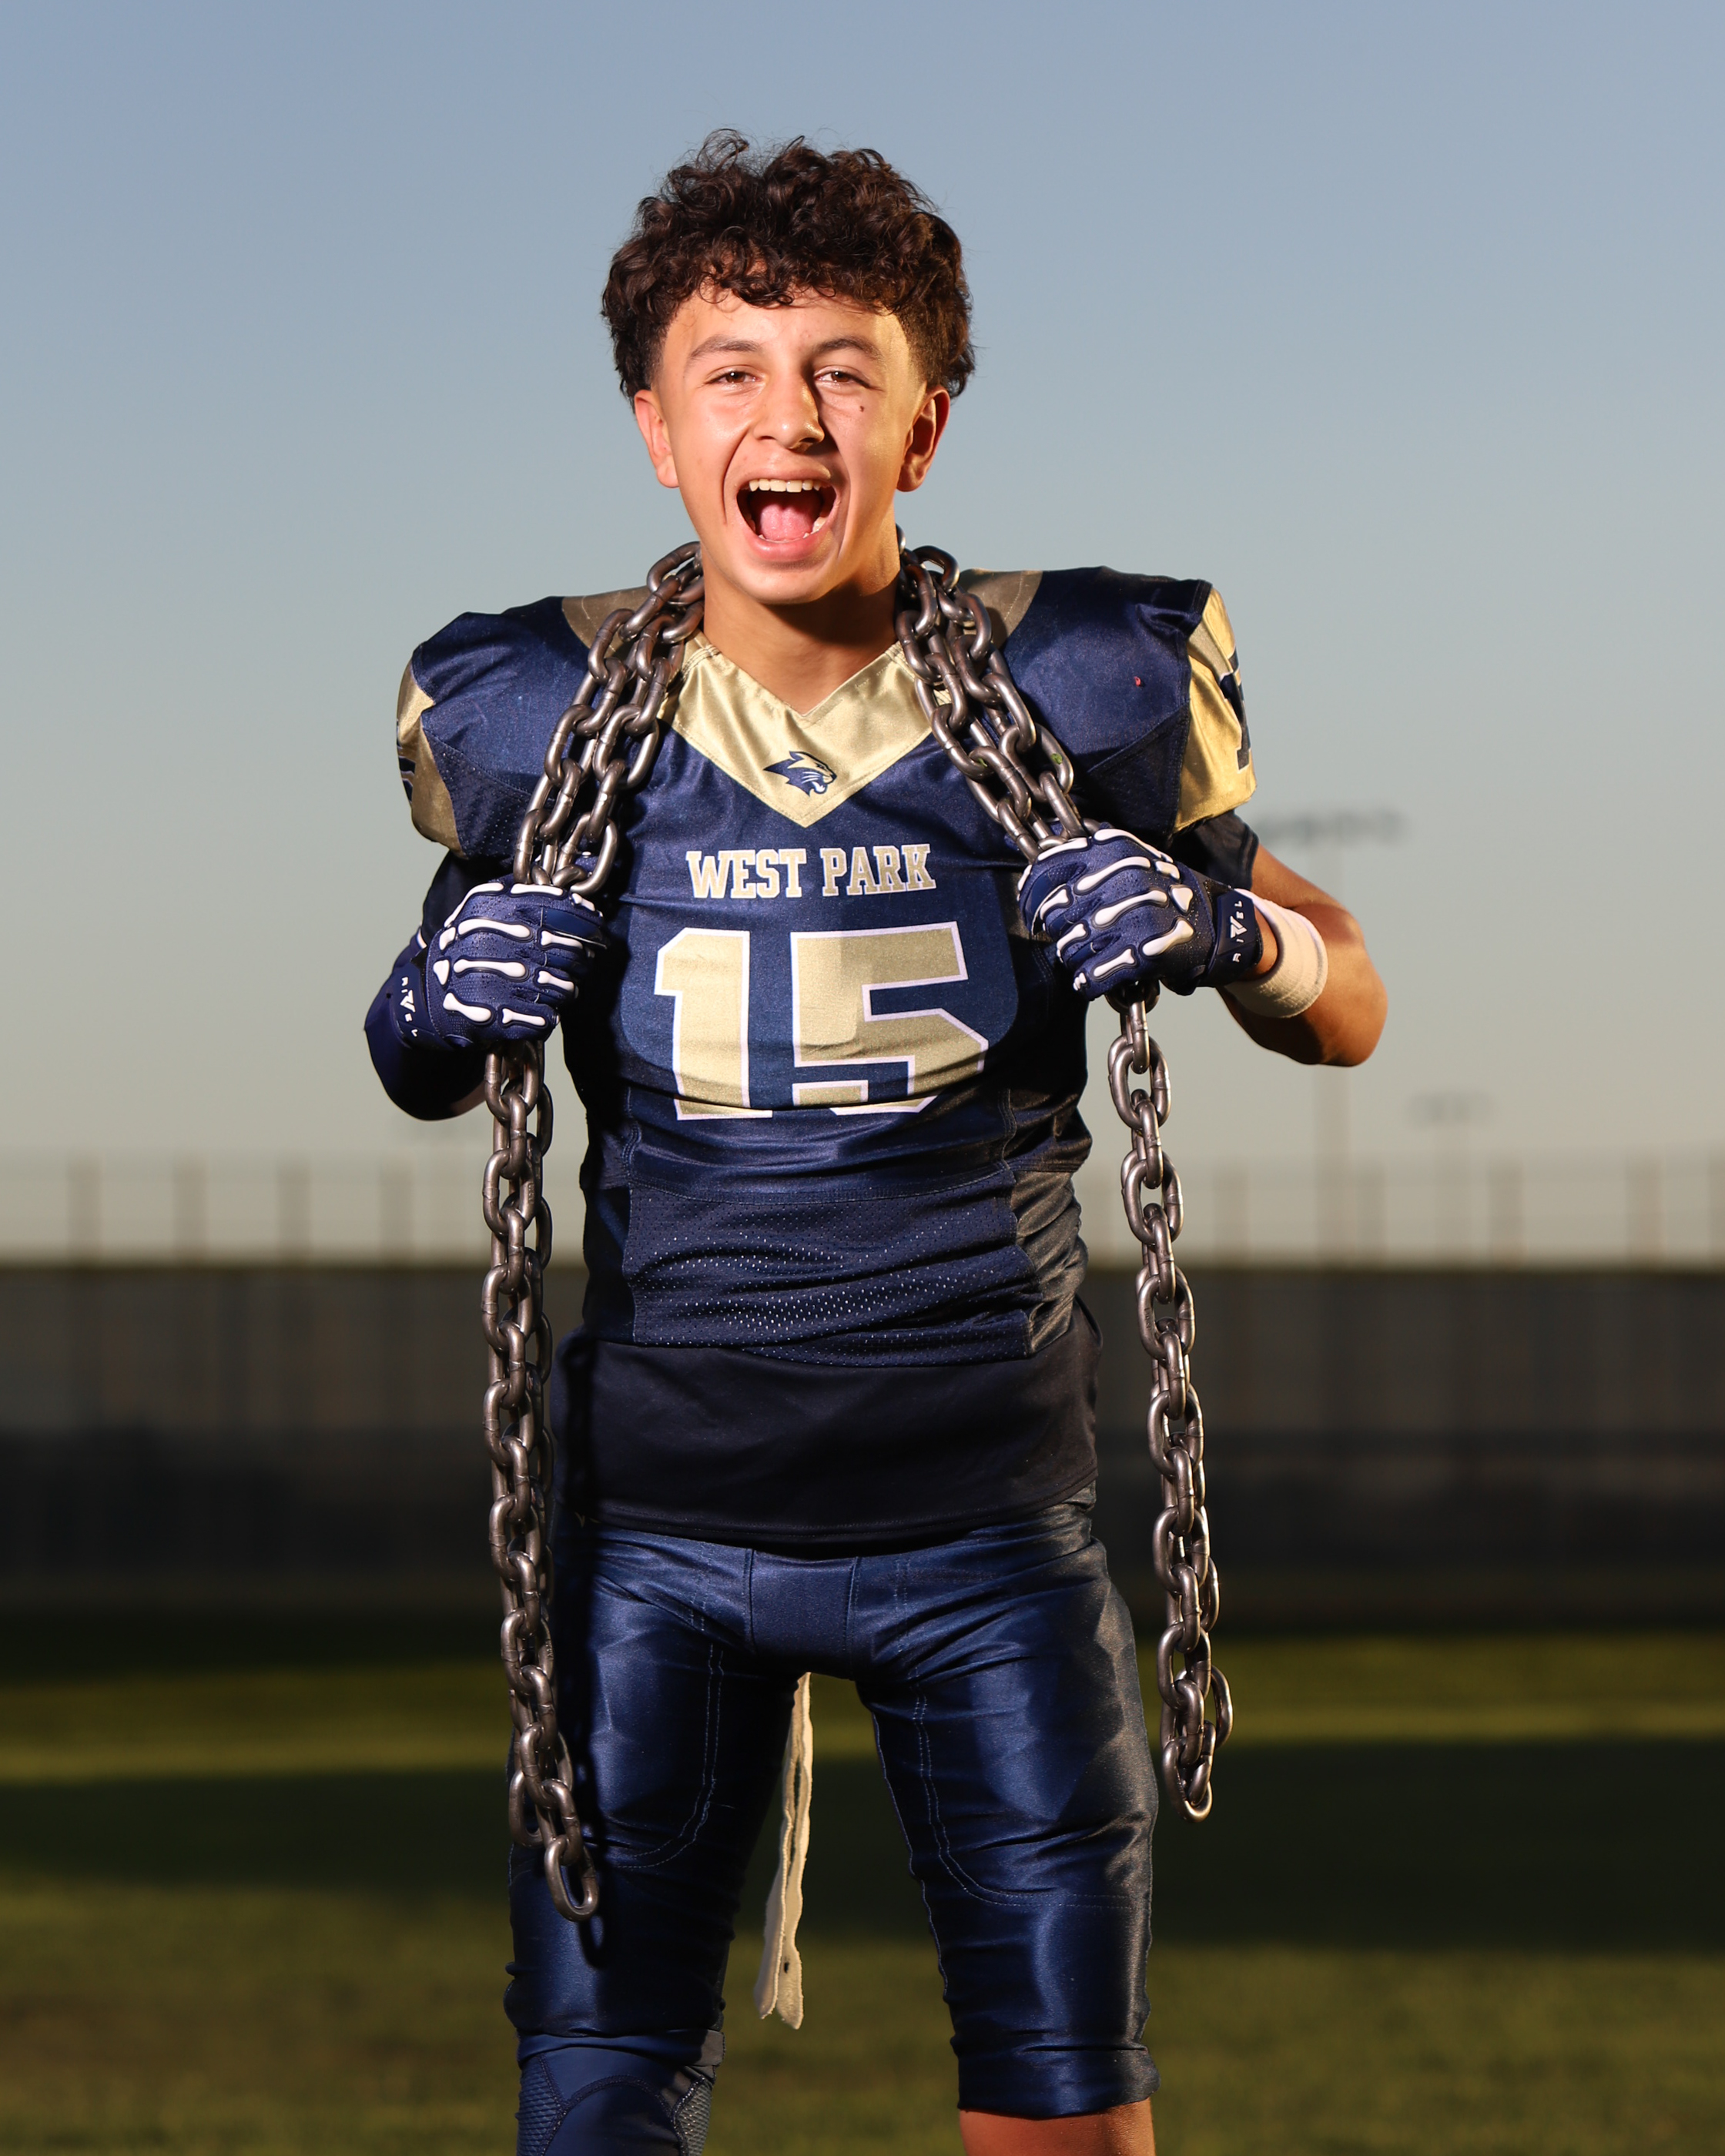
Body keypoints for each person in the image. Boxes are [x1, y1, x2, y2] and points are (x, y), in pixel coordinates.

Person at [365, 132, 1385, 2156]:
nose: (789, 414)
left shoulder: (1075, 686)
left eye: (845, 368)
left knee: (1067, 2116)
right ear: (658, 429)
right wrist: (424, 1005)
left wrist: (1228, 931)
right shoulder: (538, 710)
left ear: (923, 428)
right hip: (656, 1535)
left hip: (984, 1524)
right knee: (595, 2103)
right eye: (731, 369)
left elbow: (1346, 994)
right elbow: (425, 1058)